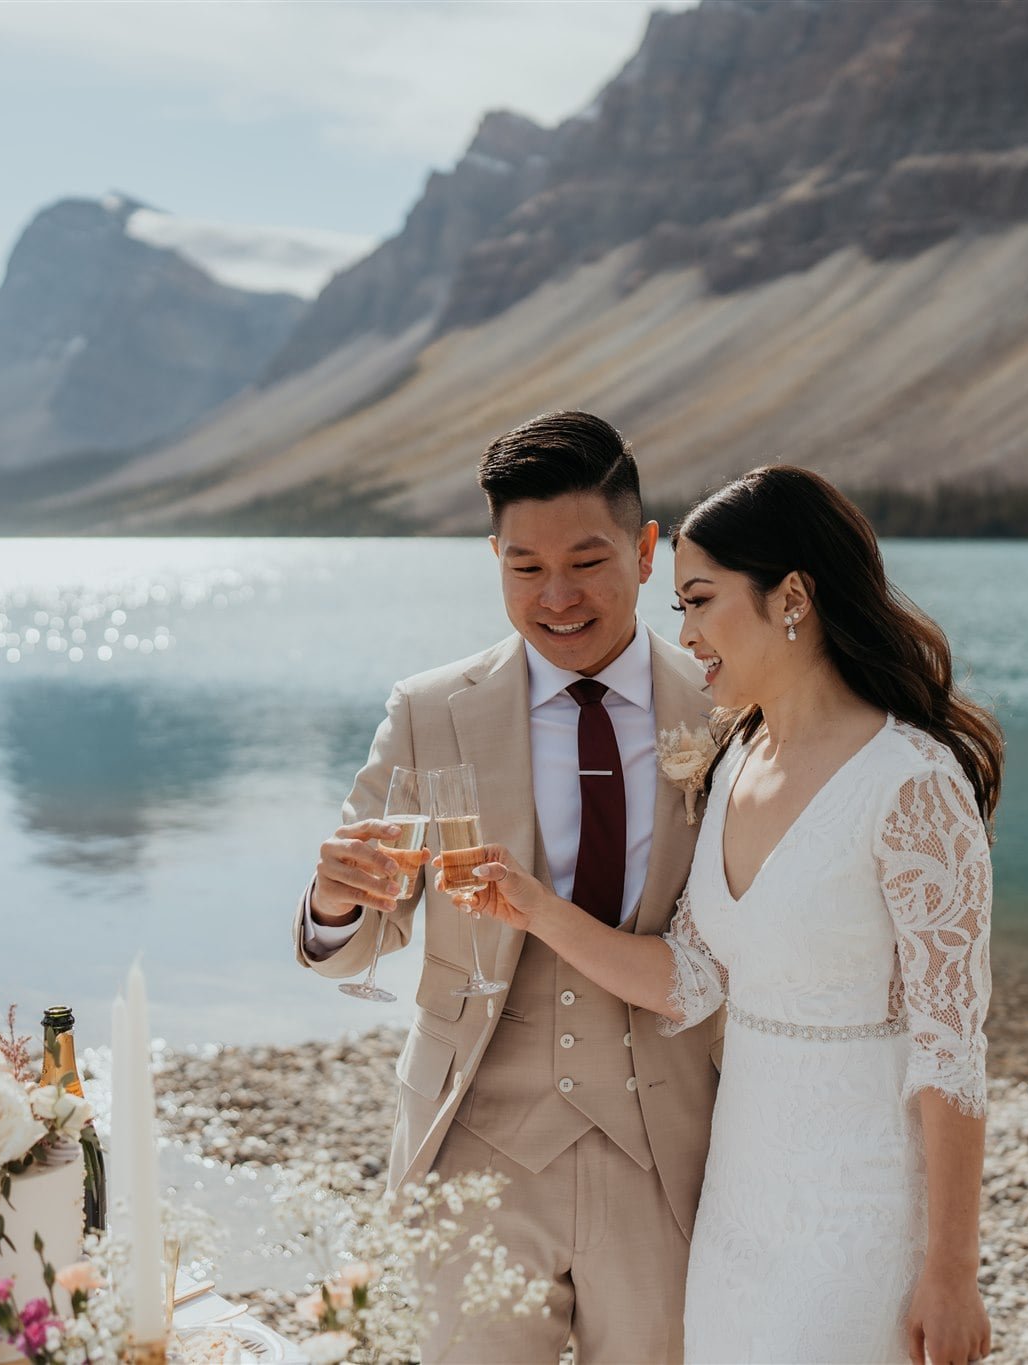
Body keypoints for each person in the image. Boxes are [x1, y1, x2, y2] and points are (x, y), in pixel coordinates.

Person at [446, 465, 1003, 1365]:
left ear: (791, 598)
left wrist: (952, 1269)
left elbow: (953, 1052)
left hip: (857, 1221)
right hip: (736, 1208)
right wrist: (536, 908)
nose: (687, 634)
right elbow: (690, 977)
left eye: (700, 602)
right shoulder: (737, 755)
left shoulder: (913, 784)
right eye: (680, 607)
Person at [292, 412, 722, 1363]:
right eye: (524, 567)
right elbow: (360, 936)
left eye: (587, 561)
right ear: (493, 557)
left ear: (648, 551)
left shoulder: (727, 707)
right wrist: (335, 902)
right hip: (474, 1140)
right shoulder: (428, 711)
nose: (557, 596)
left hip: (670, 1143)